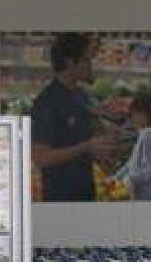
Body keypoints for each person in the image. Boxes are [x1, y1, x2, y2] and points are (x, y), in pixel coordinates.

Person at [30, 34, 123, 202]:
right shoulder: (47, 102)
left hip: (86, 192)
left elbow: (85, 139)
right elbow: (40, 158)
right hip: (60, 199)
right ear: (69, 62)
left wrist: (104, 151)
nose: (90, 65)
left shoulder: (81, 96)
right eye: (86, 59)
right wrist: (85, 147)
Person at [120, 93, 151, 201]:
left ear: (146, 114)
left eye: (134, 114)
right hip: (141, 193)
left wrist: (129, 178)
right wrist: (116, 177)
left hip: (149, 196)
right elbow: (132, 162)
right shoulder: (145, 133)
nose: (132, 118)